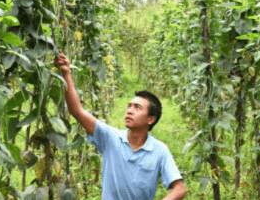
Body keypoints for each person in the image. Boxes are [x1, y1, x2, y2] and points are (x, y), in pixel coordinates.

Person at [54, 50, 186, 200]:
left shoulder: (160, 150)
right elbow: (77, 111)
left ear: (151, 119)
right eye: (129, 106)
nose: (129, 111)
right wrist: (66, 74)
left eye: (137, 107)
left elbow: (179, 189)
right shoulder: (110, 137)